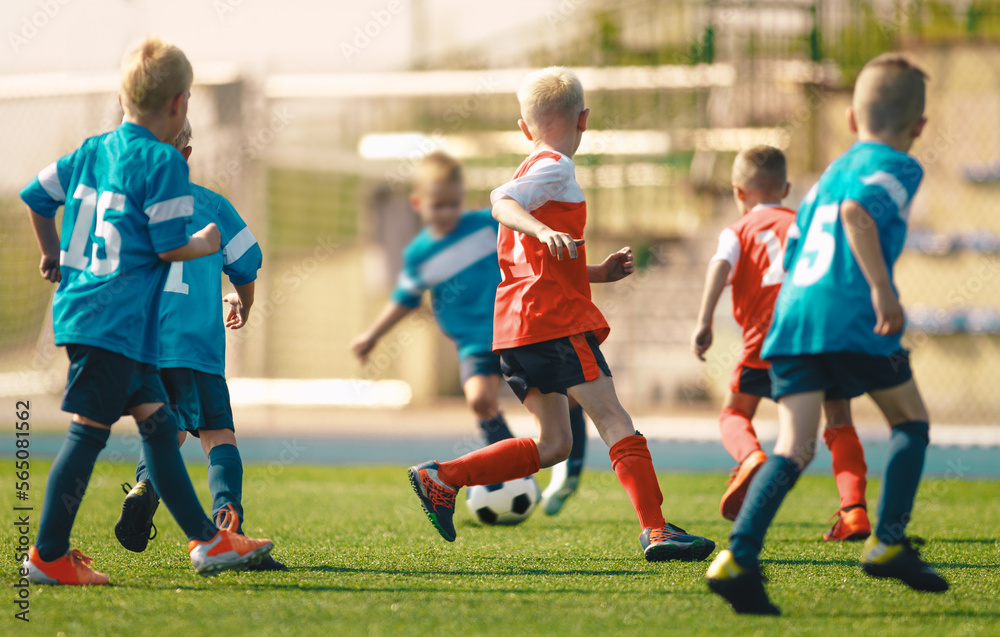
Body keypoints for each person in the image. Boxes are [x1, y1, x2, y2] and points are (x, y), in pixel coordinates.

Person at [407, 67, 715, 561]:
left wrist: (594, 272)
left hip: (516, 326)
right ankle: (657, 530)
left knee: (554, 445)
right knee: (614, 419)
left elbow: (538, 260)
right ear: (584, 120)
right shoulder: (554, 168)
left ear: (524, 127)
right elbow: (500, 203)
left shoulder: (531, 170)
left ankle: (443, 477)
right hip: (552, 320)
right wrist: (539, 230)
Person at [20, 37, 272, 585]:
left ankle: (209, 543)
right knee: (88, 434)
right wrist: (205, 242)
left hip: (118, 325)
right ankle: (47, 555)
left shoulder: (92, 150)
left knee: (160, 429)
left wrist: (51, 254)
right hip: (113, 324)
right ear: (180, 103)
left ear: (122, 96)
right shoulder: (161, 162)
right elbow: (165, 246)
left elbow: (36, 197)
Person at [706, 53, 948, 615]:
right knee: (910, 422)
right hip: (850, 319)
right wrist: (883, 291)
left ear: (850, 120)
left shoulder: (826, 175)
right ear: (918, 127)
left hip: (791, 323)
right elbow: (859, 216)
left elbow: (796, 248)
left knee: (793, 447)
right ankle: (887, 540)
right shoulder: (898, 164)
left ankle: (737, 557)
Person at [350, 151, 587, 515]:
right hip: (475, 344)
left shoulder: (488, 225)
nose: (446, 212)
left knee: (569, 395)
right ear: (418, 203)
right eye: (437, 205)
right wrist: (372, 336)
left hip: (515, 329)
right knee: (479, 399)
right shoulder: (420, 254)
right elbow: (405, 300)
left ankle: (569, 470)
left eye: (453, 203)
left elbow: (529, 250)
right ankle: (517, 471)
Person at [113, 119, 285, 571]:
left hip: (147, 349)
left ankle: (144, 488)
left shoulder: (130, 210)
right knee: (217, 435)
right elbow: (248, 263)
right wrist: (242, 303)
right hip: (198, 350)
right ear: (186, 154)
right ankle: (227, 527)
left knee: (166, 434)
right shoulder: (211, 205)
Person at [692, 145, 870, 540]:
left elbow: (720, 263)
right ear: (786, 188)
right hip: (821, 333)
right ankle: (854, 510)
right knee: (839, 421)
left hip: (768, 338)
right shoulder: (807, 222)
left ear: (739, 192)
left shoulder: (738, 230)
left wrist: (704, 321)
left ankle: (750, 455)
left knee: (734, 413)